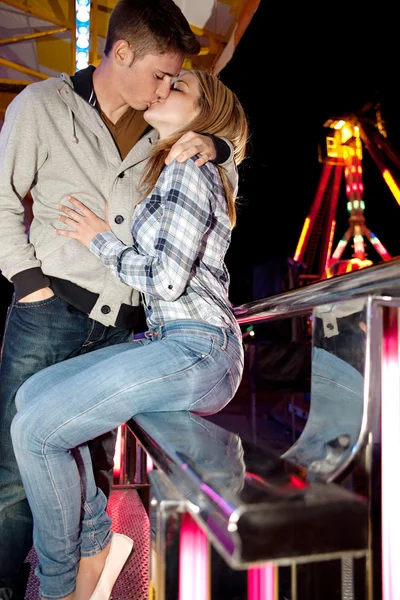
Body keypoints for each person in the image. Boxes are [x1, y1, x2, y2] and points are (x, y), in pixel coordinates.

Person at [0, 0, 237, 596]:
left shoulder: (180, 151)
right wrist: (28, 283)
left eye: (174, 83)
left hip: (150, 327)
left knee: (62, 442)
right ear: (122, 52)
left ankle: (72, 574)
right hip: (54, 310)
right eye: (161, 73)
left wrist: (217, 145)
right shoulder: (46, 107)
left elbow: (212, 195)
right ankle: (28, 576)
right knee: (19, 447)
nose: (162, 88)